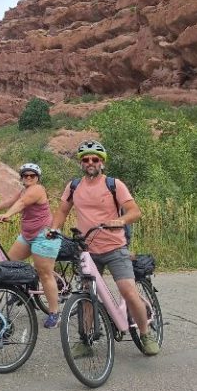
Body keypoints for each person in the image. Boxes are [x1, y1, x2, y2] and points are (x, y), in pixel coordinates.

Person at [49, 140, 160, 356]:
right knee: (86, 295)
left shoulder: (114, 184)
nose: (90, 162)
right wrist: (53, 229)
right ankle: (86, 340)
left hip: (115, 247)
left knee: (128, 291)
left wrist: (120, 221)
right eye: (86, 159)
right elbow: (62, 211)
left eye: (95, 159)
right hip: (87, 250)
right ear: (81, 163)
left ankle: (145, 334)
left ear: (102, 163)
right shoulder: (74, 186)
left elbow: (134, 211)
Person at [0, 163, 62, 328]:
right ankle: (24, 287)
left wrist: (7, 215)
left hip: (44, 236)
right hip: (27, 235)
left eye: (32, 176)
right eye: (25, 175)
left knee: (44, 274)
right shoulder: (23, 190)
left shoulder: (38, 190)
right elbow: (10, 201)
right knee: (8, 263)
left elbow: (21, 204)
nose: (28, 178)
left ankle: (54, 313)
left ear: (37, 178)